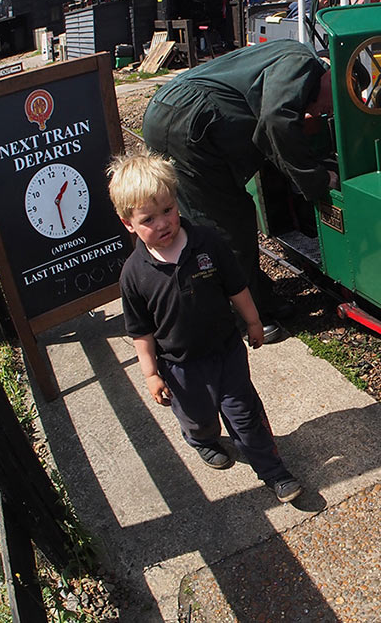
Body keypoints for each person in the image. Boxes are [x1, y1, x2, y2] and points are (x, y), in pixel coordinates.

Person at [109, 150, 303, 504]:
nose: (163, 223)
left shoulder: (207, 243)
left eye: (168, 210)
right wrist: (151, 374)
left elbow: (236, 287)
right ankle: (201, 439)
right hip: (179, 366)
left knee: (245, 416)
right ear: (128, 223)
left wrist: (253, 320)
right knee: (198, 417)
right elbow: (141, 331)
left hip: (226, 351)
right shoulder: (134, 275)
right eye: (148, 219)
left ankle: (274, 472)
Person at [142, 40, 337, 336]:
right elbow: (275, 120)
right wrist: (317, 180)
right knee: (225, 224)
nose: (329, 110)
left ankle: (257, 297)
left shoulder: (291, 55)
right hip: (189, 122)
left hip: (180, 113)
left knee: (230, 216)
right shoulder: (303, 62)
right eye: (335, 100)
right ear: (331, 73)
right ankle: (244, 317)